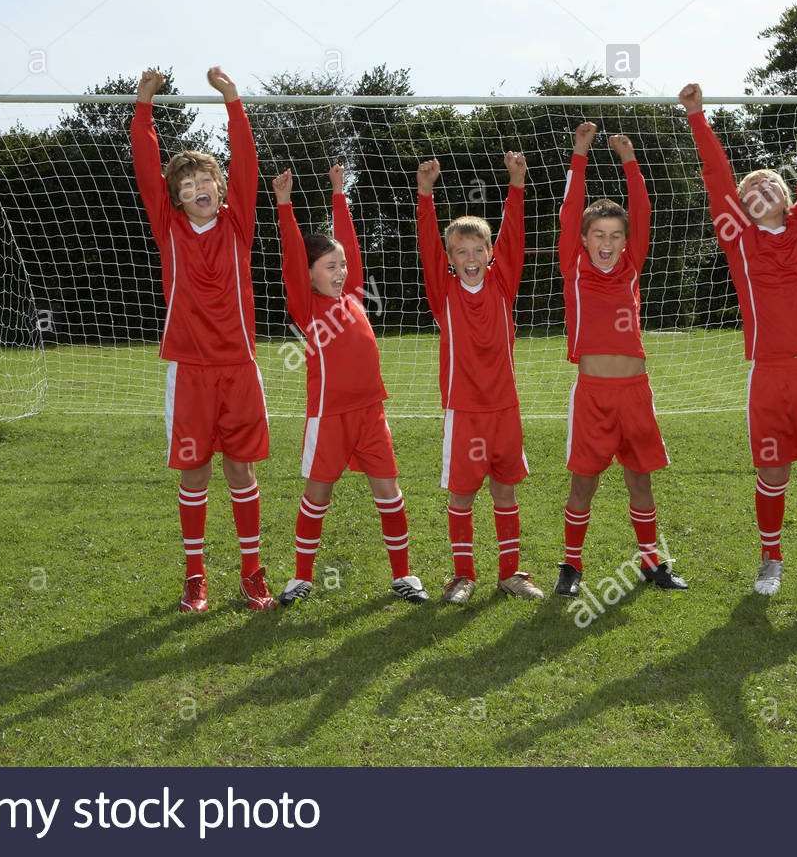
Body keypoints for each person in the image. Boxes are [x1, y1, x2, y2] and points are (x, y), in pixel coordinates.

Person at [680, 76, 797, 605]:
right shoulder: (738, 244)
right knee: (772, 475)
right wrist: (697, 116)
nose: (757, 192)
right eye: (748, 192)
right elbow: (718, 177)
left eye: (769, 187)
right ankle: (772, 558)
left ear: (786, 198)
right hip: (769, 378)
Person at [131, 66, 274, 612]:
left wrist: (233, 101)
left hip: (238, 366)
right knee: (194, 472)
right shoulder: (167, 227)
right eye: (186, 187)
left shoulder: (239, 224)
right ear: (177, 197)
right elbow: (147, 168)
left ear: (219, 188)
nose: (198, 192)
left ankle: (251, 572)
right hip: (188, 368)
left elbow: (248, 164)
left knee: (241, 469)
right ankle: (196, 578)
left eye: (205, 183)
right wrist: (144, 105)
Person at [273, 164, 429, 605]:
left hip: (370, 414)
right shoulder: (307, 307)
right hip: (330, 418)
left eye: (342, 265)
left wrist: (339, 194)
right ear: (309, 274)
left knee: (390, 494)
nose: (340, 271)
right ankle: (302, 577)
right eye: (329, 266)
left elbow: (353, 248)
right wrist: (285, 207)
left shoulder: (354, 295)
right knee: (316, 496)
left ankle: (403, 576)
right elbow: (290, 255)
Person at [554, 122, 688, 597]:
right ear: (585, 239)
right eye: (597, 234)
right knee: (583, 486)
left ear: (625, 241)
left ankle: (653, 563)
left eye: (614, 235)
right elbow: (570, 211)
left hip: (635, 393)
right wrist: (581, 153)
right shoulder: (574, 267)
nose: (606, 242)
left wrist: (630, 160)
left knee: (640, 482)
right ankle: (570, 567)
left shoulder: (631, 267)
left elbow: (644, 212)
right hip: (593, 395)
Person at [416, 153, 542, 604]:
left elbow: (516, 237)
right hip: (464, 411)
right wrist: (425, 194)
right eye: (460, 252)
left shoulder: (502, 284)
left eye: (478, 250)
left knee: (505, 490)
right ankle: (463, 575)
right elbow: (427, 245)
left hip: (504, 407)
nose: (470, 258)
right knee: (463, 494)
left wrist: (516, 183)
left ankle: (510, 574)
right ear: (450, 259)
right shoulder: (444, 292)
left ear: (490, 254)